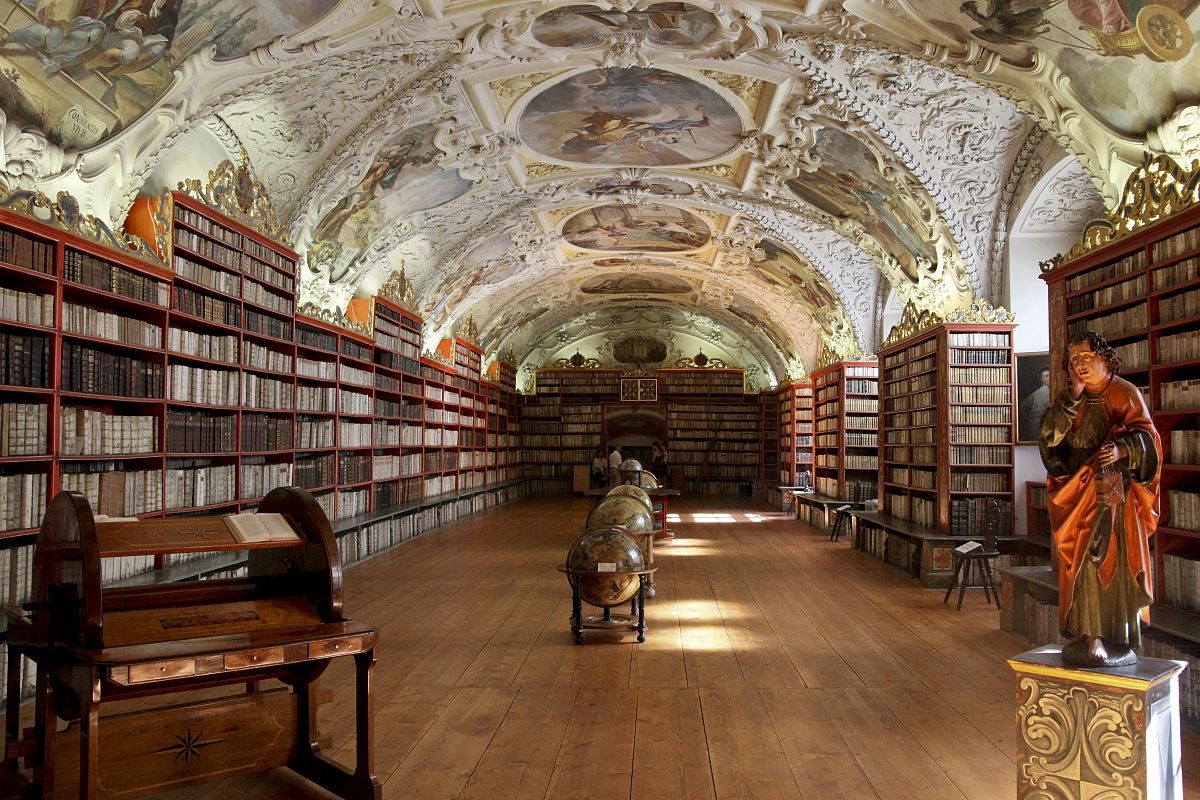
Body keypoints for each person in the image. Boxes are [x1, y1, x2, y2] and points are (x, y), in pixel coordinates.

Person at [1038, 331, 1161, 667]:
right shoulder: (1069, 399)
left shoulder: (1125, 394)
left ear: (1104, 359)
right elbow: (1050, 440)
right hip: (1078, 495)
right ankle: (1086, 633)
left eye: (1085, 358)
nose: (1079, 365)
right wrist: (1072, 398)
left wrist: (1123, 449)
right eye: (1073, 360)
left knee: (1108, 563)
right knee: (1079, 564)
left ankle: (1112, 637)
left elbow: (1149, 440)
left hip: (1114, 501)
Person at [1019, 366, 1051, 441]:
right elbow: (1022, 406)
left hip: (1047, 422)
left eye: (1050, 375)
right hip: (1036, 422)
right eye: (1046, 376)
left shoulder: (1053, 391)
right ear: (1041, 379)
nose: (1049, 378)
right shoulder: (1037, 393)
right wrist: (1028, 417)